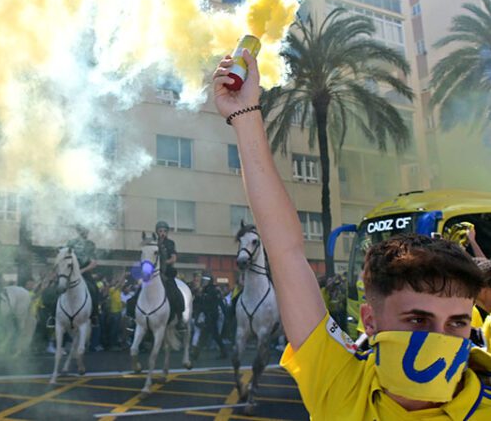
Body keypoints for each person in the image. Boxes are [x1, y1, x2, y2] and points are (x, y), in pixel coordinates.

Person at [213, 50, 491, 418]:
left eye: (457, 322)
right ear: (369, 321)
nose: (441, 338)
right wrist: (244, 115)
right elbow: (284, 251)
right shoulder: (339, 385)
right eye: (417, 320)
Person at [66, 225, 100, 325]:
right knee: (58, 287)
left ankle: (94, 315)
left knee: (94, 289)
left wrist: (82, 270)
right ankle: (53, 316)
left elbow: (94, 263)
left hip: (84, 273)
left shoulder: (90, 244)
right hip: (70, 272)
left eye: (86, 230)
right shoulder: (71, 243)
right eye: (82, 230)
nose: (85, 232)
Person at [191, 273, 227, 359]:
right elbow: (201, 303)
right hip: (207, 315)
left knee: (207, 334)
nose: (204, 282)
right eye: (204, 280)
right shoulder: (205, 290)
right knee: (212, 335)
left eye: (206, 280)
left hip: (212, 315)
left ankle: (196, 353)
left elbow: (213, 302)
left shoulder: (213, 290)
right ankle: (223, 352)